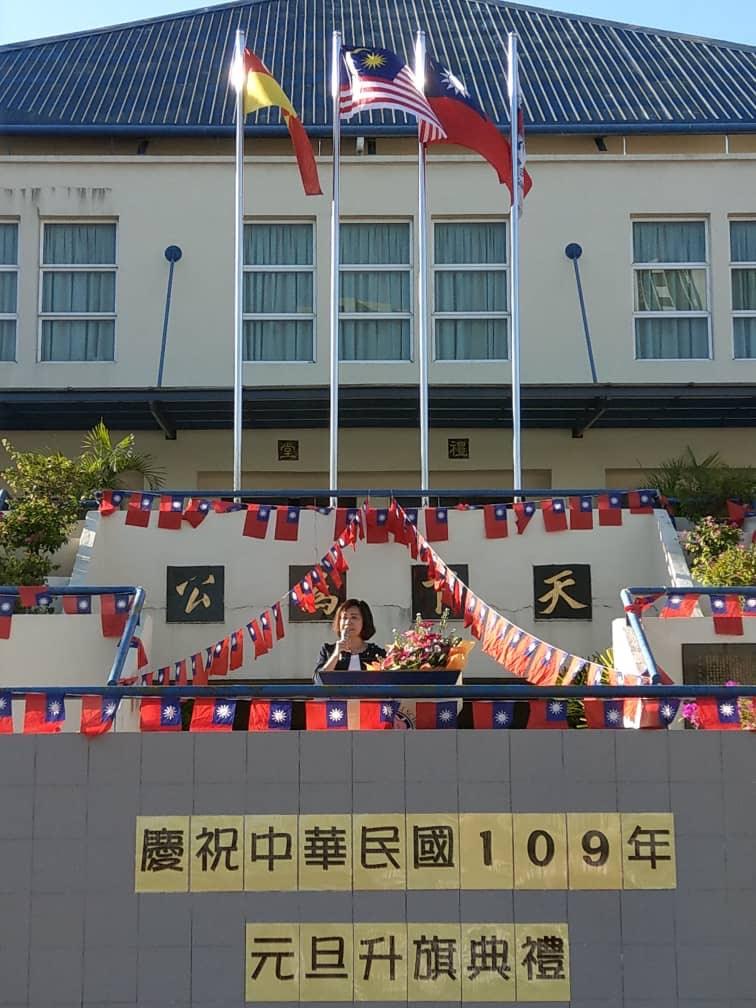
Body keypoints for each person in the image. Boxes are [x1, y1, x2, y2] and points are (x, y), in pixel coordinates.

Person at [314, 598, 386, 680]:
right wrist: (335, 655)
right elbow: (318, 681)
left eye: (354, 617)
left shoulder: (377, 654)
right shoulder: (328, 651)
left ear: (364, 621)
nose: (348, 622)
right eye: (344, 618)